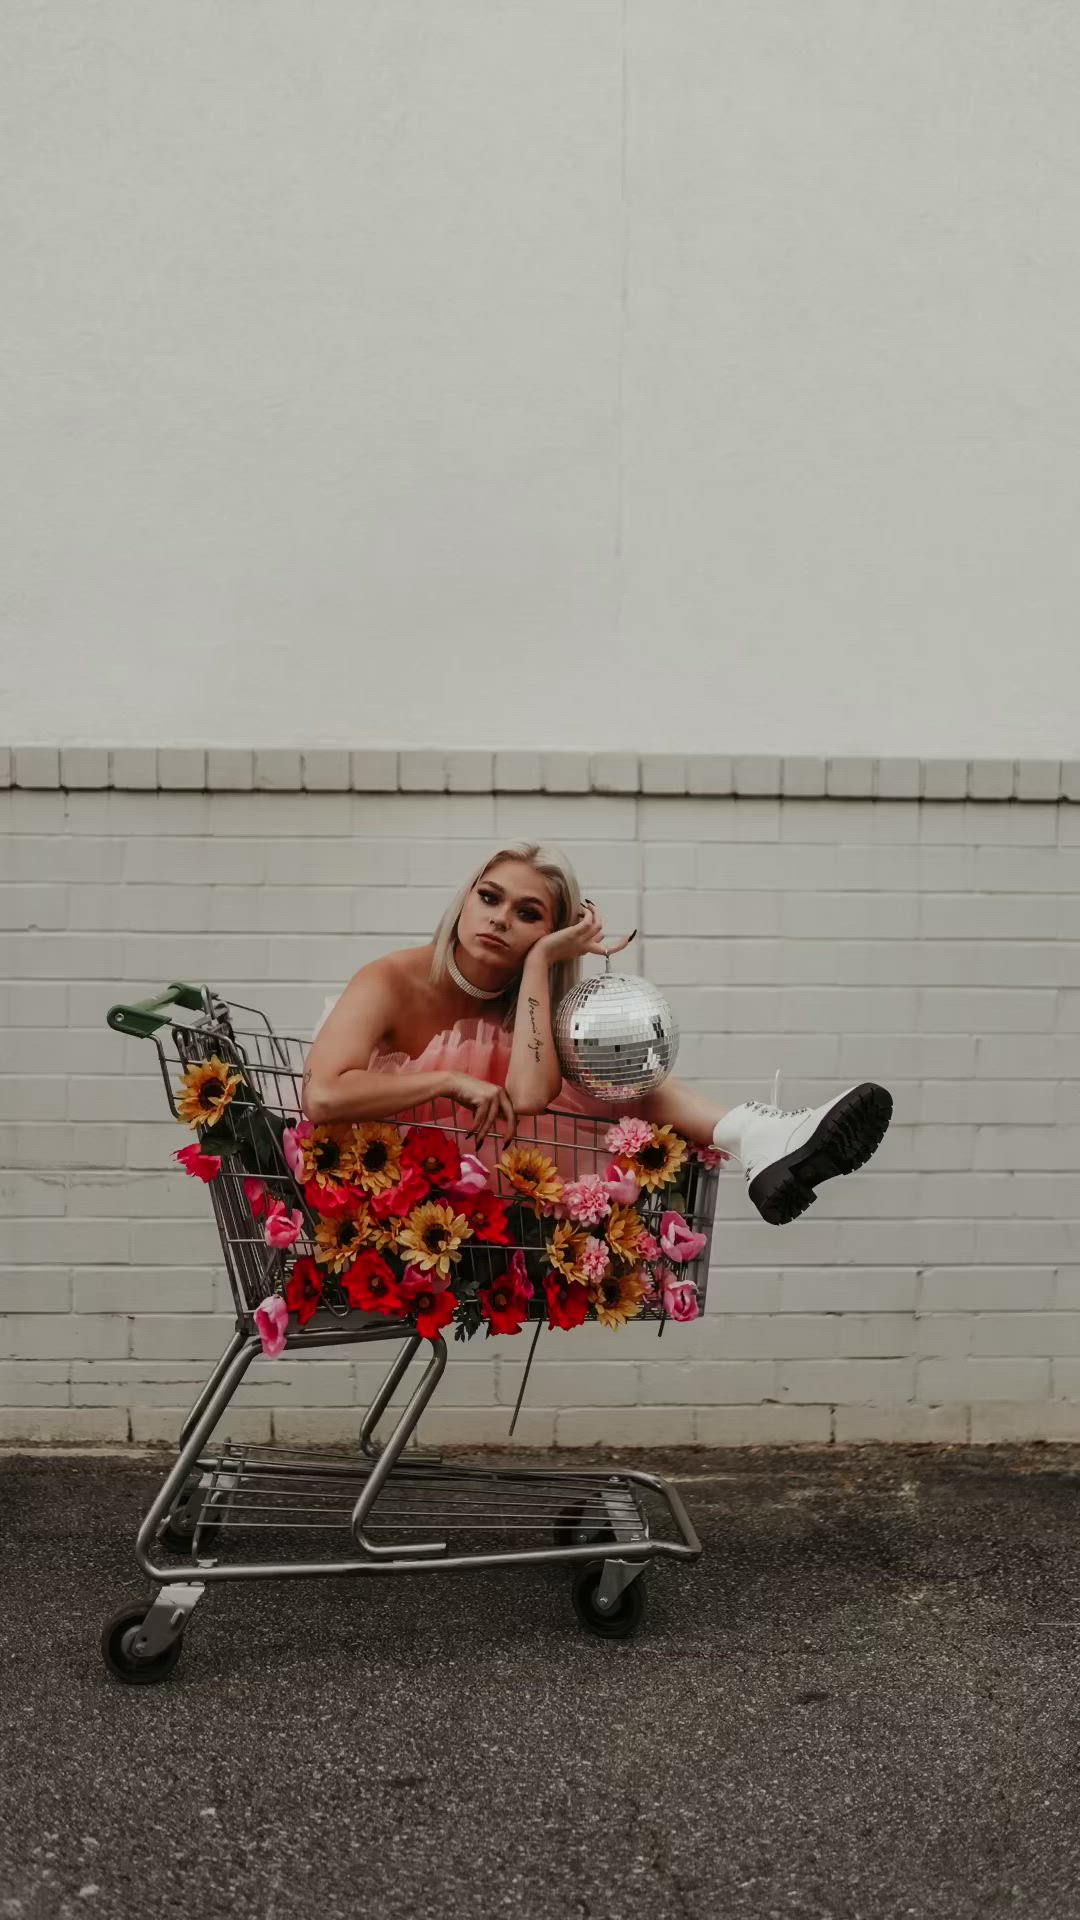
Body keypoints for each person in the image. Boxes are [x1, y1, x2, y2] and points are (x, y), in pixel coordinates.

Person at [301, 840, 893, 1226]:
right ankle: (758, 1134)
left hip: (482, 1166)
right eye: (488, 897)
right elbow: (322, 1096)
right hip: (379, 1169)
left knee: (600, 1058)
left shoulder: (528, 994)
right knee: (581, 1066)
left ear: (549, 935)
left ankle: (760, 1136)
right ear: (465, 901)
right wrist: (453, 1079)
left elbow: (530, 1097)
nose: (500, 918)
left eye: (528, 914)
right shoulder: (388, 979)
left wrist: (538, 968)